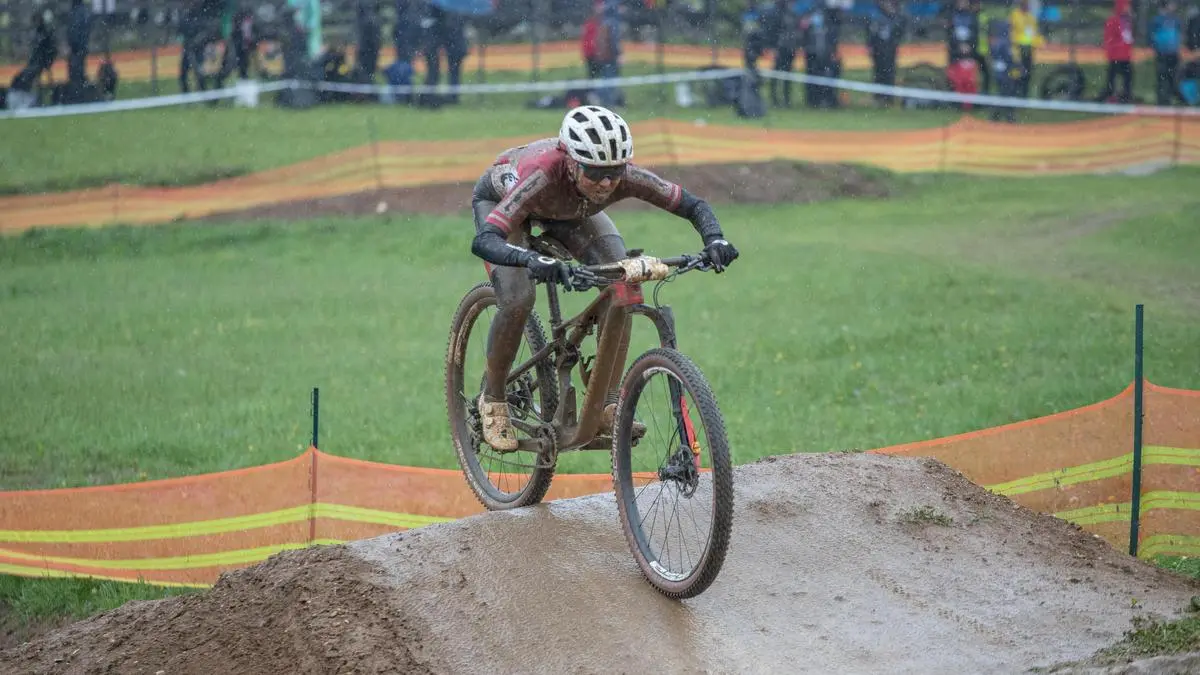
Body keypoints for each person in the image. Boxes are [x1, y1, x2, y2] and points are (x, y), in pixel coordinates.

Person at [468, 106, 740, 451]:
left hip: (570, 209)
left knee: (622, 282)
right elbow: (486, 241)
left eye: (614, 172)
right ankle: (493, 398)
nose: (607, 183)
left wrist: (715, 239)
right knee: (518, 297)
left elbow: (692, 204)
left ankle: (607, 405)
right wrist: (531, 259)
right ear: (571, 162)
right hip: (505, 203)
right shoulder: (542, 175)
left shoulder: (624, 176)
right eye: (596, 173)